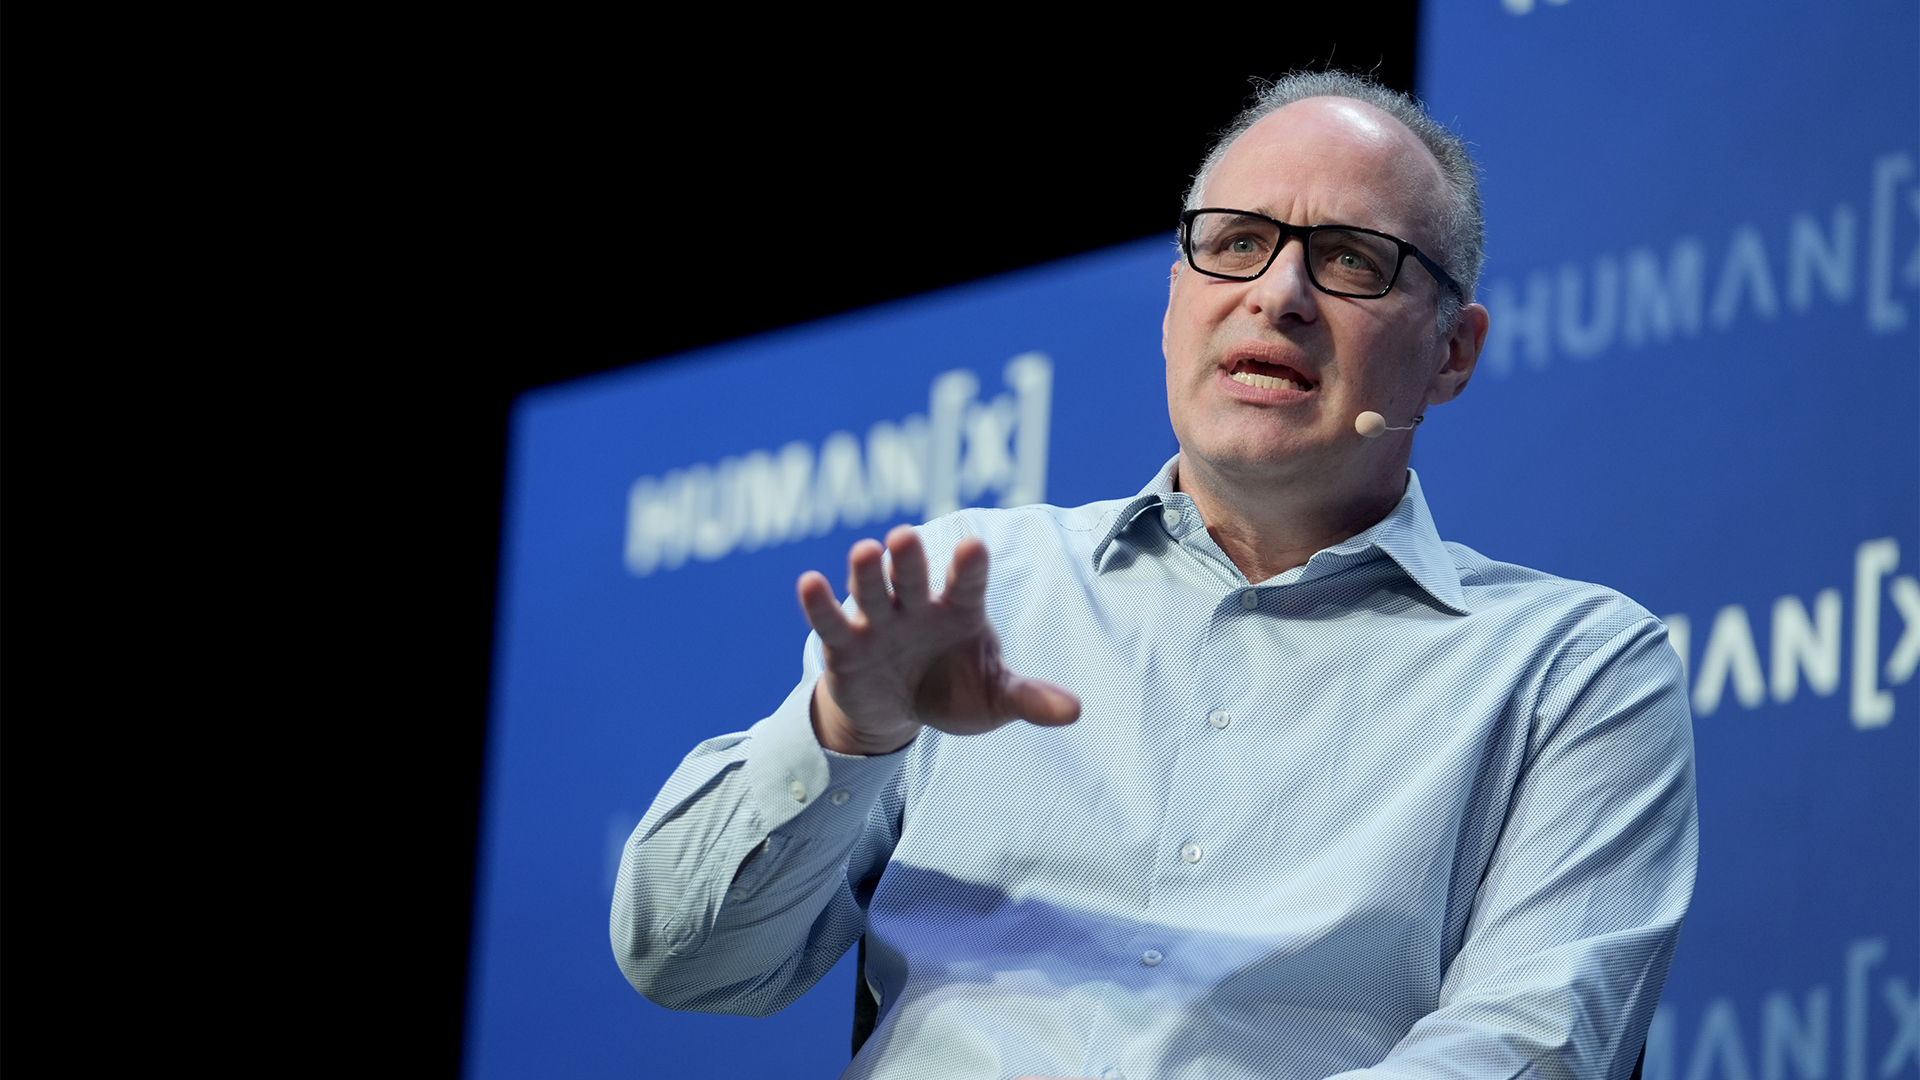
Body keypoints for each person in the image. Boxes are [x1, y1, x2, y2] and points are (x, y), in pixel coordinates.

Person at [612, 71, 1697, 1080]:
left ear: (1453, 352)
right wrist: (848, 730)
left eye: (1353, 259)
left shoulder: (1575, 670)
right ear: (1177, 299)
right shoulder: (966, 589)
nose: (1278, 295)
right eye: (1237, 243)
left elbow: (1533, 1047)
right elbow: (681, 959)